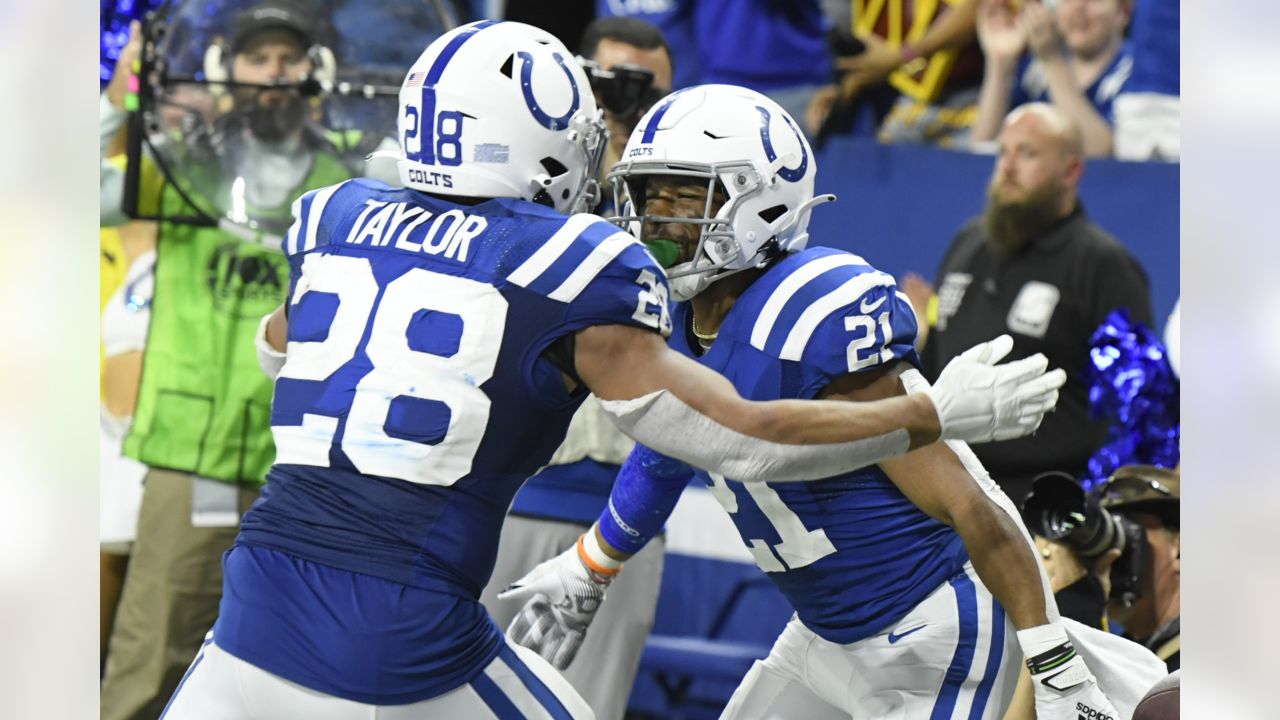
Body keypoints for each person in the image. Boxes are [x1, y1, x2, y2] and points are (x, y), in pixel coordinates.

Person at [159, 21, 1066, 719]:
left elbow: (279, 347)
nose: (640, 206)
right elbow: (736, 440)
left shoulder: (329, 218)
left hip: (256, 599)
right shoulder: (576, 266)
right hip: (408, 625)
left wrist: (594, 557)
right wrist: (930, 414)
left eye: (682, 197)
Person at [501, 84, 1115, 720]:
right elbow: (669, 447)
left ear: (764, 202)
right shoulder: (677, 321)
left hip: (931, 632)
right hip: (821, 634)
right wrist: (594, 562)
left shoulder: (815, 316)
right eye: (650, 194)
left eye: (687, 195)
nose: (660, 219)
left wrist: (1052, 656)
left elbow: (971, 501)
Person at [98, 4, 363, 718]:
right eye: (258, 58)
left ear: (316, 71)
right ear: (228, 70)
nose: (274, 73)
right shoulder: (186, 162)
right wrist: (126, 93)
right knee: (151, 665)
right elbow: (81, 191)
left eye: (289, 57)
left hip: (305, 472)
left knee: (285, 680)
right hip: (197, 460)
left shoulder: (348, 183)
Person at [477, 17, 674, 720]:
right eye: (610, 90)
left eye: (648, 101)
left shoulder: (690, 212)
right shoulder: (509, 176)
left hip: (619, 512)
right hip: (498, 497)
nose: (627, 113)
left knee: (580, 710)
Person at [916, 103, 1153, 505]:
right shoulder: (967, 244)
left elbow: (1137, 402)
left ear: (1071, 171)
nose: (1007, 168)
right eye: (1003, 152)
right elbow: (938, 370)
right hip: (951, 487)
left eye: (1027, 154)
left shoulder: (1102, 265)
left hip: (1048, 497)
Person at [970, 0, 1134, 157]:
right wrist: (1000, 62)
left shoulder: (1136, 71)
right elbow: (982, 147)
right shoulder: (1035, 69)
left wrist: (1052, 62)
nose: (1078, 7)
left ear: (1123, 12)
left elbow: (1100, 153)